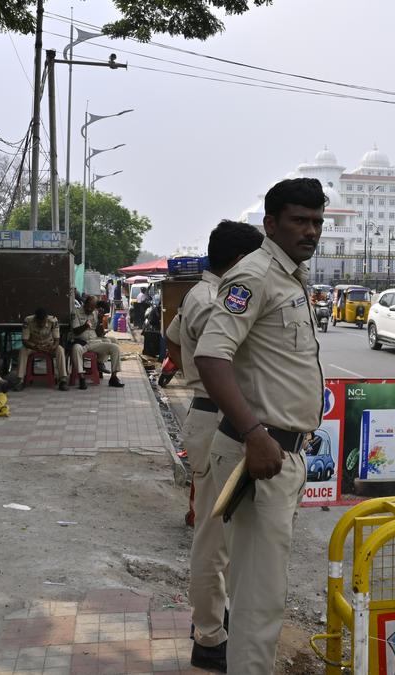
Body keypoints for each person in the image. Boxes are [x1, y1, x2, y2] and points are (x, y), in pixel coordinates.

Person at [195, 178, 326, 673]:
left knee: (263, 591)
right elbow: (211, 356)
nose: (310, 231)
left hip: (281, 455)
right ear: (270, 223)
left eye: (316, 221)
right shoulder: (254, 275)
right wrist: (254, 434)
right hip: (260, 453)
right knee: (258, 598)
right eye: (299, 220)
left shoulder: (291, 276)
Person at [166, 220, 264, 671]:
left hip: (210, 416)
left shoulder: (197, 295)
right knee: (214, 535)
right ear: (241, 260)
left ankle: (210, 618)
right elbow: (217, 359)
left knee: (217, 528)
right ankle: (209, 634)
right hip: (216, 417)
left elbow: (170, 337)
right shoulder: (214, 300)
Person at [70, 293, 124, 389]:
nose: (90, 309)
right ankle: (81, 377)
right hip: (82, 342)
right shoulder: (76, 312)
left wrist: (99, 321)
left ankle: (113, 377)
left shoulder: (95, 313)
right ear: (85, 304)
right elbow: (75, 331)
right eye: (89, 307)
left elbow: (99, 333)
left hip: (95, 341)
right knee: (75, 348)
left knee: (115, 347)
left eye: (93, 307)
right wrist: (85, 326)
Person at [17, 308, 68, 391]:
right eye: (39, 322)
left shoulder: (53, 320)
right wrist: (34, 346)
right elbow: (24, 341)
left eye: (43, 321)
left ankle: (63, 379)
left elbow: (57, 340)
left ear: (46, 319)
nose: (41, 324)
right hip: (33, 345)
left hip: (48, 344)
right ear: (35, 319)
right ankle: (20, 380)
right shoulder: (28, 320)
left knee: (60, 350)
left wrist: (53, 347)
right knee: (23, 350)